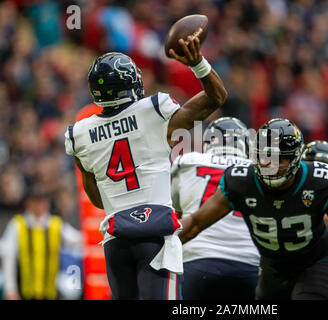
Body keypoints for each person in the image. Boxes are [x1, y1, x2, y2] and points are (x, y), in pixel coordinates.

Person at [64, 35, 227, 299]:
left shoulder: (79, 133)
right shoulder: (153, 110)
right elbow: (216, 97)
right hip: (157, 236)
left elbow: (97, 199)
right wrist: (198, 64)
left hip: (117, 241)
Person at [179, 118, 328, 300]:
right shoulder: (241, 181)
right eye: (264, 157)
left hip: (315, 262)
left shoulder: (316, 181)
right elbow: (196, 223)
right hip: (273, 265)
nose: (269, 165)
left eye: (280, 158)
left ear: (296, 158)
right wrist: (163, 245)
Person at [171, 117, 260, 300]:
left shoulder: (187, 161)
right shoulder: (258, 170)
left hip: (197, 259)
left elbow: (173, 211)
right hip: (248, 264)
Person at [0, 189, 81, 300]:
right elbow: (9, 258)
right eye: (36, 202)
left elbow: (77, 240)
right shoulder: (17, 224)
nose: (39, 206)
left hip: (50, 291)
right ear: (28, 204)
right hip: (23, 291)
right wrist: (10, 289)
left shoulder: (56, 225)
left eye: (42, 202)